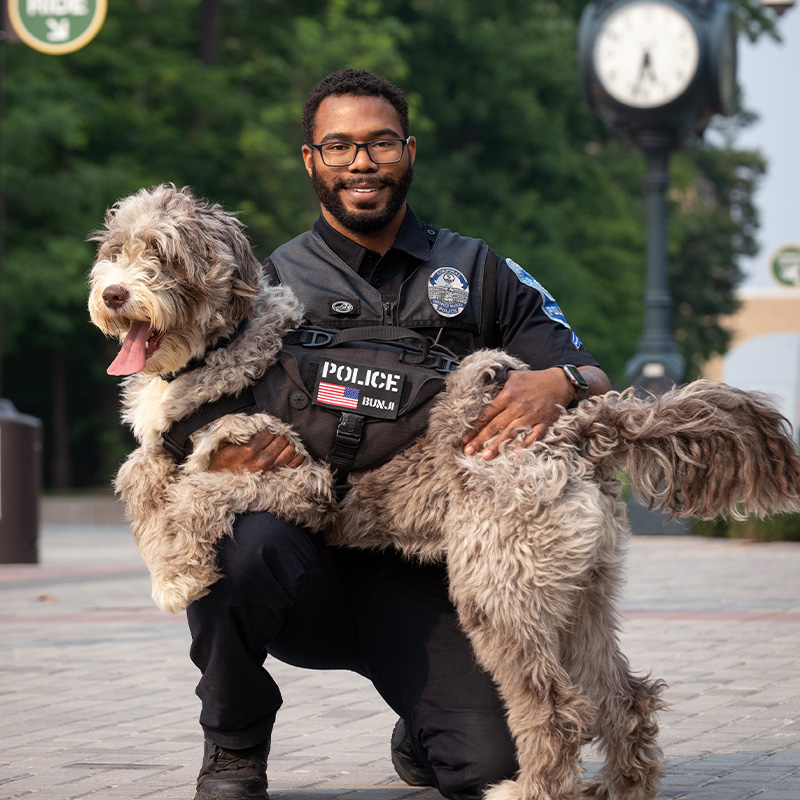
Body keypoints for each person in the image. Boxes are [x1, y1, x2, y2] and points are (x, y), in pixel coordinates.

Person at [188, 68, 611, 800]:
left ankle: (424, 725)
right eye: (340, 146)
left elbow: (587, 373)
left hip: (433, 576)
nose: (361, 162)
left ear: (408, 151)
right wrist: (213, 446)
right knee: (229, 535)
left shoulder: (479, 270)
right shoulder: (265, 279)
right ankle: (233, 746)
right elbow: (177, 393)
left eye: (380, 143)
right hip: (302, 564)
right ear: (311, 159)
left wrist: (562, 382)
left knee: (492, 769)